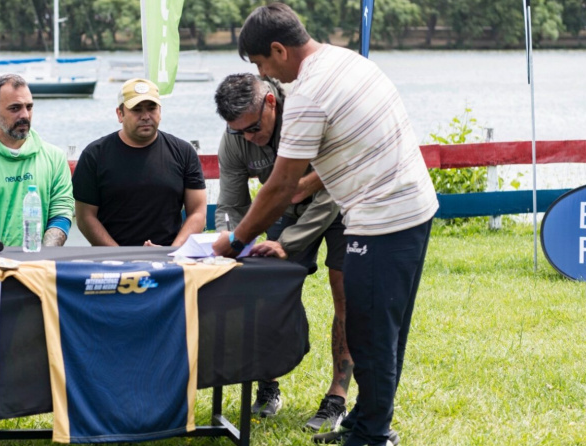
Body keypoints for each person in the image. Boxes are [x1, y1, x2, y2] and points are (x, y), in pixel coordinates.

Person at [212, 4, 439, 446]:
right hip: (408, 207)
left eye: (261, 63)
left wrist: (236, 241)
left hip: (384, 219)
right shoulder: (347, 59)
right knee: (381, 328)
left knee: (370, 332)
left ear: (279, 49)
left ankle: (372, 435)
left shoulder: (309, 93)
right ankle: (364, 420)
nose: (264, 72)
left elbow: (280, 186)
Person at [214, 73, 353, 430]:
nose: (248, 138)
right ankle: (267, 384)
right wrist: (229, 242)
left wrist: (286, 244)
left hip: (340, 204)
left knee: (345, 295)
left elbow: (329, 191)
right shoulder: (235, 138)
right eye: (239, 131)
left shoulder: (308, 115)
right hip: (286, 209)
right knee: (262, 289)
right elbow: (232, 205)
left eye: (254, 129)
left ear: (271, 103)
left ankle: (337, 396)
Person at [72, 78, 207, 247]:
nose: (145, 116)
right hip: (112, 260)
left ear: (160, 111)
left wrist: (172, 252)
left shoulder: (184, 152)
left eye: (152, 108)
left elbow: (197, 211)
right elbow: (85, 217)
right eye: (136, 110)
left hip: (170, 257)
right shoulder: (94, 155)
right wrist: (120, 255)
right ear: (120, 114)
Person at [0, 74, 74, 247]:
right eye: (15, 108)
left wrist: (43, 255)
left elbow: (62, 211)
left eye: (29, 107)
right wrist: (3, 257)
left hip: (40, 264)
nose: (25, 115)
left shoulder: (55, 157)